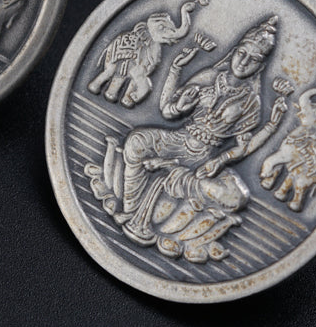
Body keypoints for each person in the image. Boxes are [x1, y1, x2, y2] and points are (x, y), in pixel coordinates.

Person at [88, 17, 288, 262]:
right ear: (235, 51)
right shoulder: (209, 76)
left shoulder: (250, 103)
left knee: (237, 197)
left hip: (205, 157)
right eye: (242, 53)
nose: (244, 62)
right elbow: (168, 111)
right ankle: (131, 210)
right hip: (178, 140)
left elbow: (243, 147)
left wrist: (267, 129)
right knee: (136, 141)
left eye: (253, 59)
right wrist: (175, 70)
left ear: (260, 66)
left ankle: (174, 176)